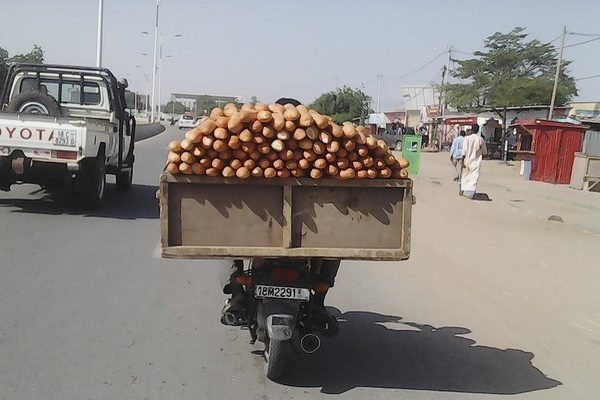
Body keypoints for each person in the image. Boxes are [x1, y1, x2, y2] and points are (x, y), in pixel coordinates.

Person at [460, 124, 487, 198]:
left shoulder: (466, 138)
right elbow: (485, 151)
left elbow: (464, 152)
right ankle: (472, 192)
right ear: (478, 130)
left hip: (467, 160)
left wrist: (462, 162)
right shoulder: (480, 139)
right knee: (474, 176)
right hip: (476, 161)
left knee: (465, 175)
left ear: (471, 130)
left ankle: (462, 189)